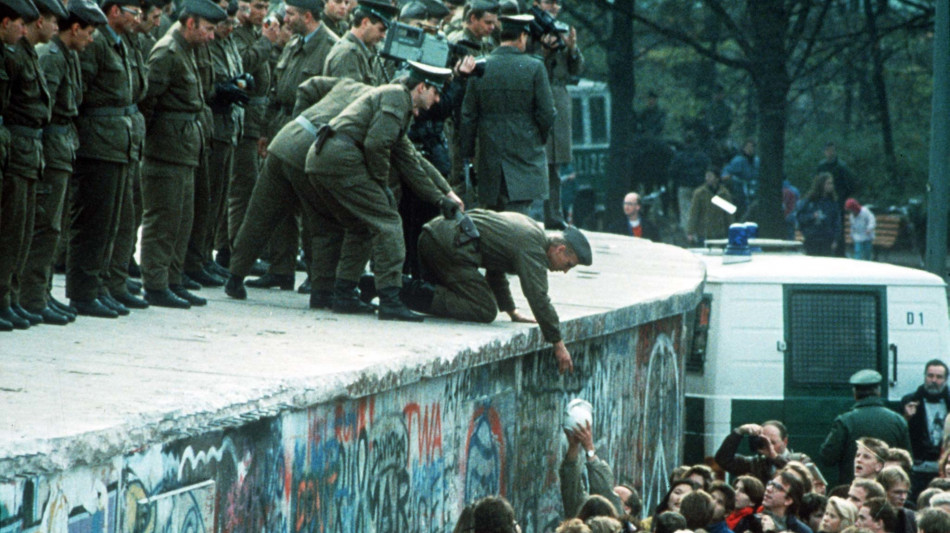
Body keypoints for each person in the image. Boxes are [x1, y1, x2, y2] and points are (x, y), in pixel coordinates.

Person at [304, 63, 457, 322]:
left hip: (323, 158)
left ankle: (343, 293)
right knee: (388, 221)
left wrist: (442, 196)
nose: (438, 100)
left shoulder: (397, 103)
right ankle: (390, 299)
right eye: (436, 92)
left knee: (360, 226)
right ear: (421, 87)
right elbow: (377, 144)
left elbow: (411, 161)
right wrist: (381, 184)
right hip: (341, 159)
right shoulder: (397, 98)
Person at [411, 209, 592, 373]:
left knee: (475, 298)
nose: (565, 271)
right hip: (444, 246)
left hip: (435, 235)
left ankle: (416, 290)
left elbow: (495, 266)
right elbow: (538, 296)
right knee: (484, 308)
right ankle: (407, 292)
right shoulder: (533, 248)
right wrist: (558, 344)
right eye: (568, 264)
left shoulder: (532, 231)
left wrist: (510, 310)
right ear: (560, 249)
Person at [20, 0, 106, 326]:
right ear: (75, 29)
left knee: (53, 225)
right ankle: (31, 295)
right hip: (51, 144)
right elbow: (44, 109)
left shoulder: (67, 55)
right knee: (44, 224)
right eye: (89, 32)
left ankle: (40, 292)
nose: (92, 38)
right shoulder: (52, 57)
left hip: (62, 144)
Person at [138, 0, 227, 308]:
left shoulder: (189, 50)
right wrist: (151, 145)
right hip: (166, 150)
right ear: (191, 24)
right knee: (163, 220)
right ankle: (155, 284)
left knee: (181, 219)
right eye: (209, 29)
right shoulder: (167, 52)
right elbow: (147, 103)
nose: (212, 36)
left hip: (185, 148)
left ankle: (172, 280)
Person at [248, 0, 338, 291]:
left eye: (291, 14)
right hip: (281, 128)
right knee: (280, 204)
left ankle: (317, 274)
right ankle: (281, 269)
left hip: (309, 134)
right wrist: (265, 132)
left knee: (312, 209)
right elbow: (277, 89)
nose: (285, 19)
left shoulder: (330, 47)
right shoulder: (293, 44)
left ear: (307, 16)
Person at [0, 0, 65, 329]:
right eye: (20, 23)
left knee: (23, 230)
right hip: (16, 148)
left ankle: (10, 297)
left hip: (29, 149)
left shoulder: (26, 52)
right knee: (10, 229)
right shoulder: (12, 55)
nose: (24, 30)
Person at [459, 13, 555, 214]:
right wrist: (538, 139)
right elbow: (547, 113)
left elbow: (468, 116)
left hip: (489, 158)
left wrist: (467, 153)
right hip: (525, 157)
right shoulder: (535, 67)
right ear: (522, 36)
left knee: (493, 222)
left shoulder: (479, 67)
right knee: (519, 222)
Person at [532, 0, 582, 230]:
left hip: (559, 94)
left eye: (557, 3)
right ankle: (534, 213)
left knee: (555, 161)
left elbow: (576, 71)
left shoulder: (561, 28)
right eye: (549, 2)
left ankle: (554, 212)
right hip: (538, 92)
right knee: (537, 157)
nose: (554, 7)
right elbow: (528, 64)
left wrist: (571, 48)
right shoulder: (530, 26)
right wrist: (542, 51)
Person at [821, 370, 913, 485]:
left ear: (855, 393)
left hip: (854, 490)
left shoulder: (845, 421)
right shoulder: (898, 421)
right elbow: (907, 461)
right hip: (887, 488)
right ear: (878, 391)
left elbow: (827, 458)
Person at [901, 360, 950, 495]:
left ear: (946, 380)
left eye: (939, 377)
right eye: (930, 376)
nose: (934, 380)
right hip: (918, 467)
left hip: (944, 468)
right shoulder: (910, 401)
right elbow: (901, 433)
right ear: (924, 377)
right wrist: (906, 417)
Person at [559, 420, 624, 518]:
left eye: (616, 497)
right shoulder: (584, 519)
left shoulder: (617, 526)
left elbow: (605, 493)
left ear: (628, 509)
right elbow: (571, 491)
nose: (612, 495)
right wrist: (573, 446)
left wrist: (590, 450)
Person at [322, 0, 396, 86]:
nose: (383, 36)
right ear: (365, 23)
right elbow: (349, 96)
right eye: (381, 29)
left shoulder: (363, 50)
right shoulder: (348, 54)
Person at [715, 421, 798, 485]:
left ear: (785, 441)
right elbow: (723, 459)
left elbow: (799, 476)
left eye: (772, 442)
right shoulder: (756, 464)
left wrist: (775, 457)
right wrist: (739, 431)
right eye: (764, 442)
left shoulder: (800, 460)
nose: (768, 446)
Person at [734, 470, 814, 533]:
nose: (768, 489)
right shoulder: (749, 521)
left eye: (777, 487)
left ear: (788, 500)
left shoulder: (801, 530)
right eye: (770, 483)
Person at [817, 142, 856, 257]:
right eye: (828, 150)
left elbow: (850, 184)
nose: (830, 152)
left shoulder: (841, 166)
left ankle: (840, 253)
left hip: (838, 201)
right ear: (824, 152)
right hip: (823, 200)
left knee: (838, 227)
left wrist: (842, 197)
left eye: (832, 150)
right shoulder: (821, 166)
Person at [797, 172, 841, 257]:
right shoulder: (809, 201)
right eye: (828, 183)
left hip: (827, 238)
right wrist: (811, 216)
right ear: (821, 184)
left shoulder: (832, 202)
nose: (831, 186)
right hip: (812, 237)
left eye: (831, 183)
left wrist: (835, 239)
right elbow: (800, 217)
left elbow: (836, 222)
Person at [686, 166, 733, 245]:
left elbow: (729, 215)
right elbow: (693, 213)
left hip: (720, 234)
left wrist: (731, 230)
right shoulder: (700, 193)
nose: (707, 178)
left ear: (717, 178)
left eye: (710, 176)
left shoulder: (724, 194)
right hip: (704, 233)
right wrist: (690, 232)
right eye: (706, 176)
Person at [721, 139, 759, 219]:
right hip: (740, 190)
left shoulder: (757, 161)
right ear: (744, 148)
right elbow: (726, 173)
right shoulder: (738, 160)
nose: (750, 149)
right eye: (748, 147)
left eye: (752, 147)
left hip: (754, 190)